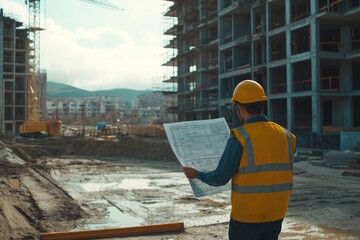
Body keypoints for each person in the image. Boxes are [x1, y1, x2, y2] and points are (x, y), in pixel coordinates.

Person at [183, 80, 296, 240]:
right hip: (276, 214)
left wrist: (196, 174)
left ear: (240, 107)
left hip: (246, 218)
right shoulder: (286, 136)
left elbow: (220, 178)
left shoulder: (240, 137)